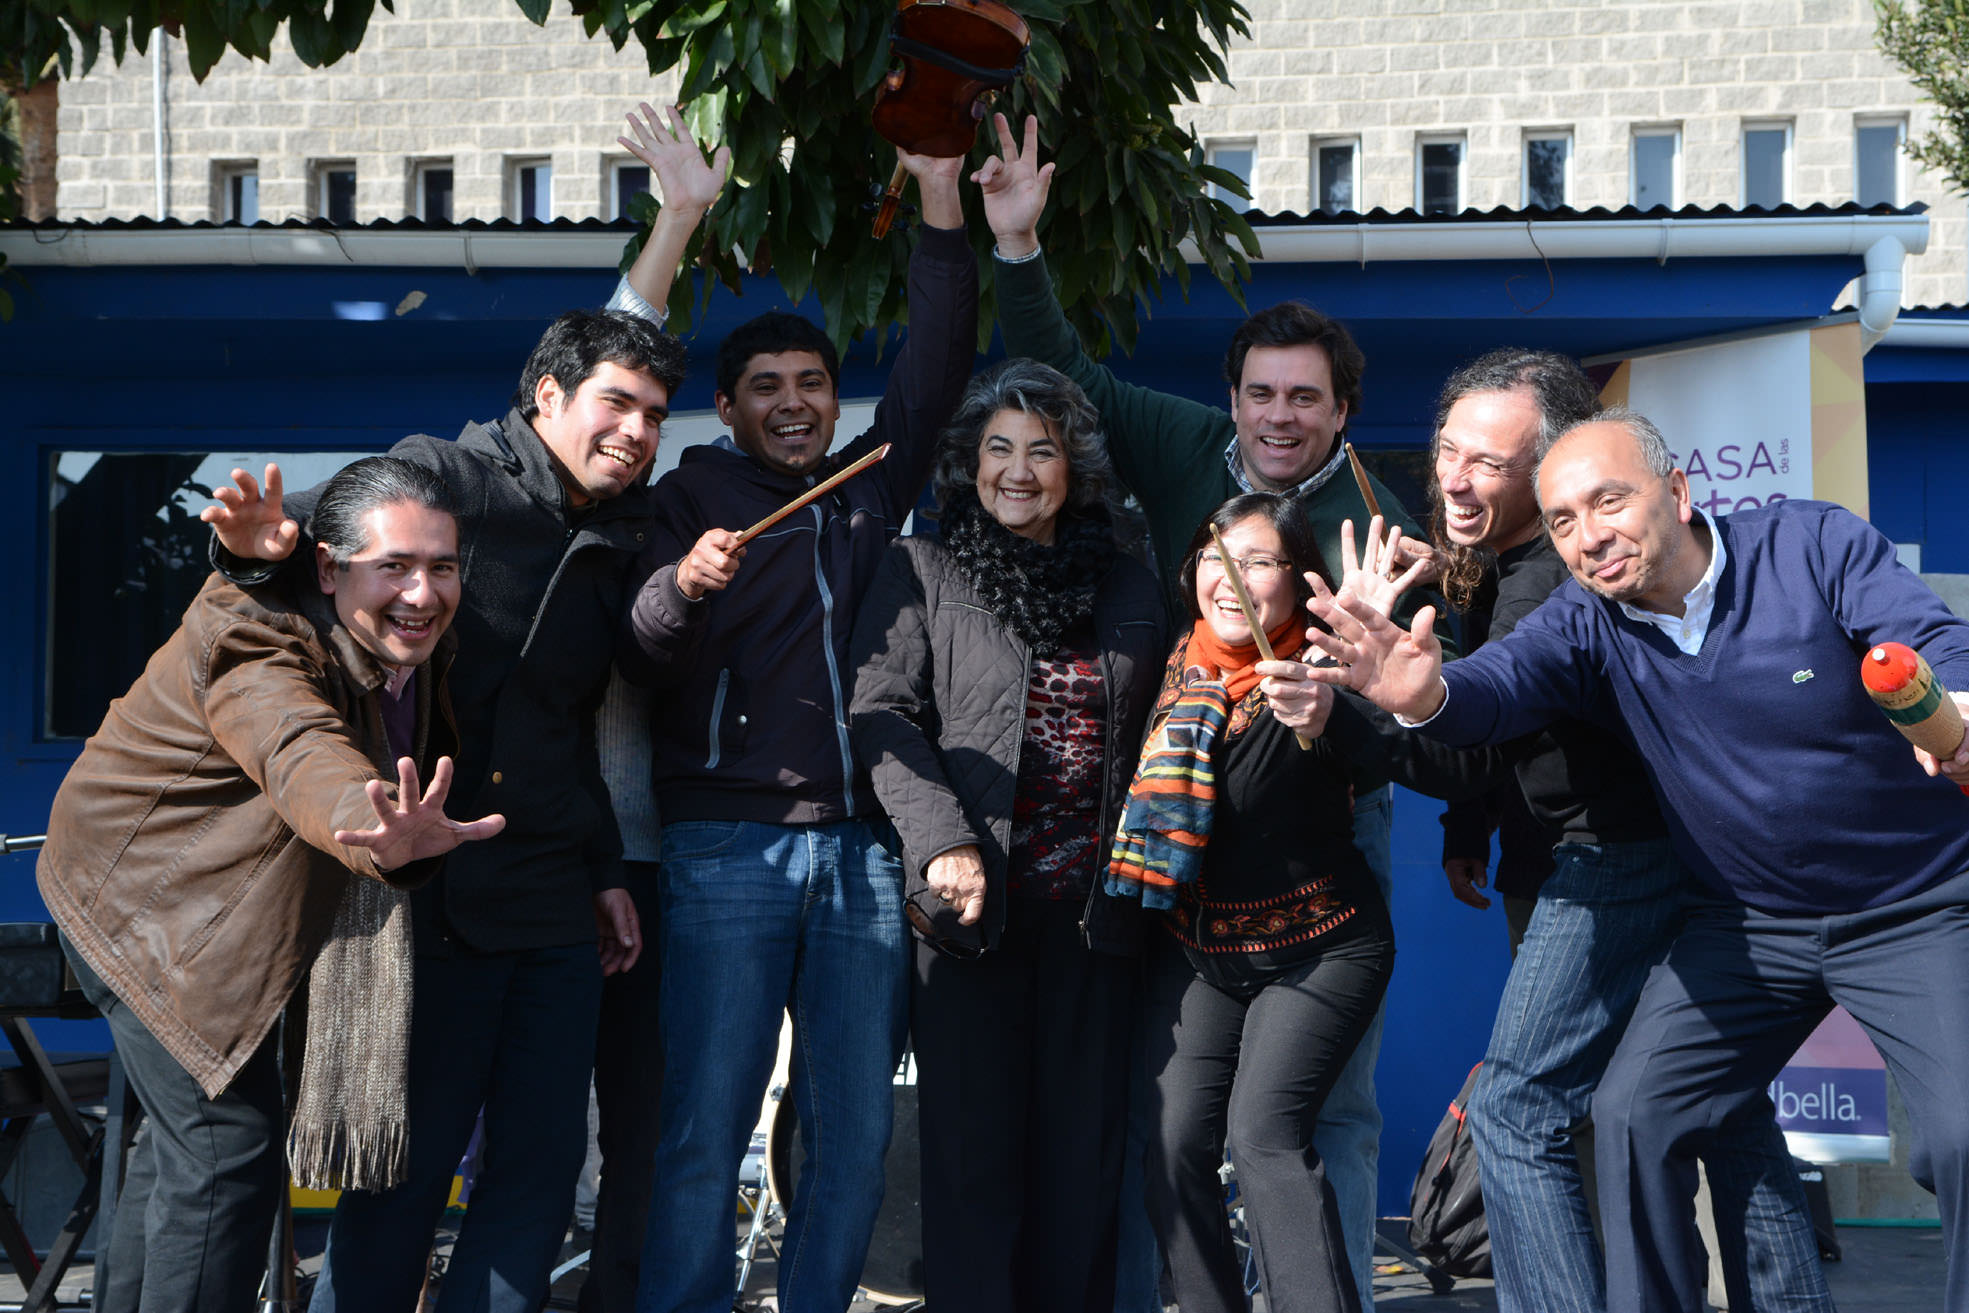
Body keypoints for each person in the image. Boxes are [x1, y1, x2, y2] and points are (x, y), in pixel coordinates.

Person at [1302, 407, 1969, 1313]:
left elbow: (1927, 635)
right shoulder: (1586, 620)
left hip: (1914, 903)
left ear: (1678, 493)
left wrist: (1954, 697)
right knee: (1633, 1116)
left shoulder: (1807, 543)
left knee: (1958, 1138)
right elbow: (1497, 689)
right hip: (1748, 922)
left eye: (1607, 501)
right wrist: (1423, 696)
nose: (1588, 536)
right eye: (1563, 521)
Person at [974, 114, 1447, 1305]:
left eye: (1305, 398)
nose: (1279, 416)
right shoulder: (1184, 446)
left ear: (1342, 410)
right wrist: (1018, 245)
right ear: (1230, 398)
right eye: (1260, 393)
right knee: (1170, 1111)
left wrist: (1349, 678)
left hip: (1317, 826)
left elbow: (1404, 717)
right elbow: (1068, 379)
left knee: (1320, 1108)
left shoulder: (1376, 528)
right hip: (1176, 825)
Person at [201, 267, 692, 1308]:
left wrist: (605, 869)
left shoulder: (620, 532)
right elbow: (314, 562)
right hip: (426, 880)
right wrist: (258, 556)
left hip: (552, 892)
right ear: (547, 396)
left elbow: (563, 724)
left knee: (540, 1171)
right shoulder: (444, 476)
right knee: (407, 1171)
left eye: (654, 415)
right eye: (617, 403)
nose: (637, 432)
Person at [1368, 354, 1831, 1312]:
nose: (1455, 478)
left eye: (1488, 463)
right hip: (1666, 857)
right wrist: (1468, 823)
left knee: (1517, 1108)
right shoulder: (1514, 570)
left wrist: (1354, 704)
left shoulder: (1554, 585)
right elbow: (1496, 735)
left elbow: (1467, 741)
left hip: (1613, 864)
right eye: (1447, 449)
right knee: (1723, 1105)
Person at [619, 146, 977, 1313]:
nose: (792, 400)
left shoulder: (870, 486)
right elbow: (639, 645)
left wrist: (939, 196)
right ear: (726, 408)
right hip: (725, 844)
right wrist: (682, 584)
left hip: (866, 848)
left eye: (811, 382)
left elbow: (937, 363)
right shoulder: (683, 498)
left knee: (854, 1129)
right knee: (704, 1125)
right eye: (765, 384)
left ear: (834, 399)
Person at [38, 457, 502, 1313]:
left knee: (180, 1148)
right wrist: (370, 823)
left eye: (441, 566)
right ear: (328, 568)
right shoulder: (253, 635)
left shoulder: (411, 639)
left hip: (215, 898)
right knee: (227, 1148)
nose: (423, 592)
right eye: (395, 566)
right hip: (146, 901)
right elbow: (297, 745)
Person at [847, 359, 1168, 1313]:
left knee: (1083, 1160)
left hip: (1098, 921)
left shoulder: (1129, 579)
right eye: (998, 447)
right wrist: (941, 839)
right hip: (968, 916)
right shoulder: (922, 566)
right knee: (969, 1159)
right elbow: (880, 710)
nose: (1018, 471)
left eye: (1042, 450)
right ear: (968, 461)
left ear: (1075, 469)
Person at [1106, 492, 1430, 1313]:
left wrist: (1334, 710)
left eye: (1258, 561)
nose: (1233, 579)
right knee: (1171, 1140)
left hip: (1321, 947)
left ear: (1295, 576)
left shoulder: (1322, 669)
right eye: (1218, 558)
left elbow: (1421, 752)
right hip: (1201, 950)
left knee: (1263, 1138)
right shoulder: (1172, 662)